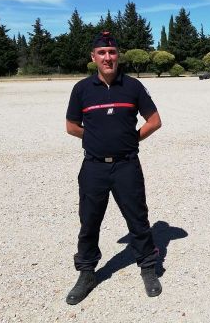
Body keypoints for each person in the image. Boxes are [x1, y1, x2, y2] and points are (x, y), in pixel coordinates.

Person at [64, 31, 163, 305]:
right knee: (89, 221)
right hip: (94, 167)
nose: (108, 57)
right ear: (93, 57)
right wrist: (96, 139)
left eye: (112, 52)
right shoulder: (82, 89)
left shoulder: (132, 87)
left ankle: (148, 267)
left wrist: (132, 138)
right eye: (102, 53)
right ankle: (86, 272)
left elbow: (154, 120)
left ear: (118, 55)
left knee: (138, 219)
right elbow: (72, 127)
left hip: (126, 165)